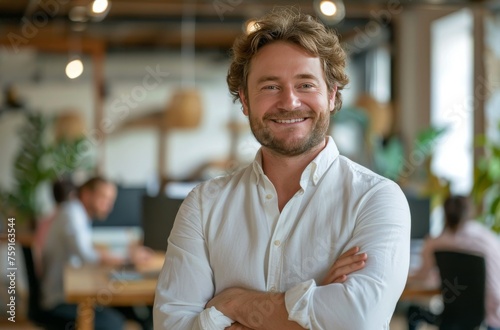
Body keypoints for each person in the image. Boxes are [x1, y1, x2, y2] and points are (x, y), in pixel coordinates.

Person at [154, 8, 411, 330]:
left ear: (332, 95)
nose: (289, 102)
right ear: (245, 101)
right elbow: (172, 325)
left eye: (305, 85)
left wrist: (234, 303)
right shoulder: (204, 205)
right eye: (270, 87)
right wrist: (316, 303)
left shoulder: (376, 199)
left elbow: (358, 320)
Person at [41, 176, 153, 330]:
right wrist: (128, 259)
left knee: (132, 312)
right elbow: (87, 256)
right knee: (117, 321)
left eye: (111, 201)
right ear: (87, 195)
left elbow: (89, 248)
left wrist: (122, 254)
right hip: (60, 299)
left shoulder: (77, 213)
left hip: (68, 293)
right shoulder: (71, 213)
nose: (109, 207)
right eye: (104, 198)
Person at [408, 195, 500, 330]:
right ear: (470, 212)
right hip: (492, 318)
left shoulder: (436, 243)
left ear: (444, 214)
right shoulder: (488, 240)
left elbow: (423, 276)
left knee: (412, 312)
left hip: (451, 317)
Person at [33, 178, 75, 276]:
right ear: (72, 195)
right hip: (61, 277)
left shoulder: (44, 221)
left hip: (48, 275)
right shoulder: (68, 221)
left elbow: (38, 252)